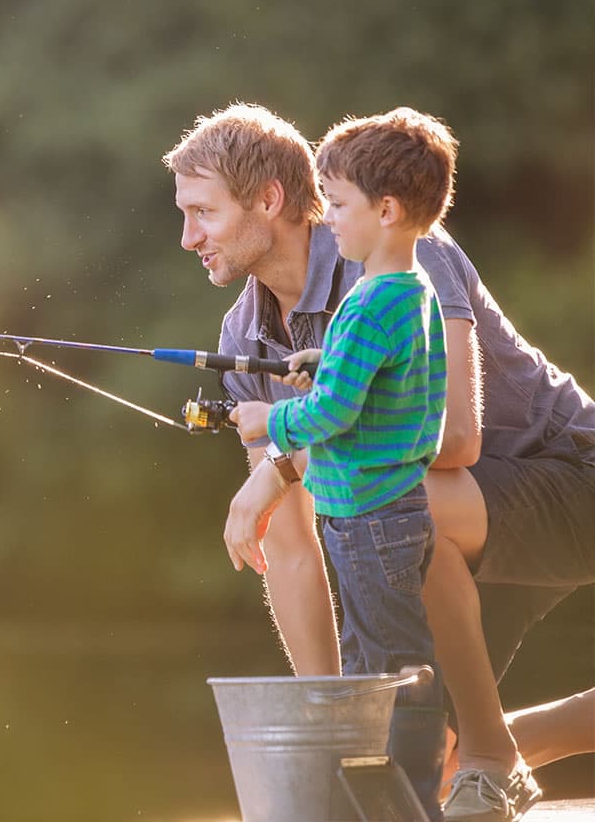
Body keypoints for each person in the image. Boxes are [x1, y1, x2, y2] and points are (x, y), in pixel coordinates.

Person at [163, 103, 595, 822]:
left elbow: (455, 439)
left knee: (391, 501)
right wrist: (335, 731)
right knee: (411, 763)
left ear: (268, 200)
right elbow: (291, 545)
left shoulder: (403, 251)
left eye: (201, 212)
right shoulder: (244, 331)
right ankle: (494, 756)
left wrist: (281, 461)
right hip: (446, 533)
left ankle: (489, 756)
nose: (188, 237)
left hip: (569, 479)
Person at [223, 107, 453, 818]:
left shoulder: (363, 302)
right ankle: (380, 799)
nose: (330, 218)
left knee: (390, 675)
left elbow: (329, 417)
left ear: (385, 211)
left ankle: (411, 802)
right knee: (377, 663)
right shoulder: (412, 295)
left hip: (365, 519)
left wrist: (269, 419)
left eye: (341, 204)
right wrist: (328, 364)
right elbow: (402, 390)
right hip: (400, 511)